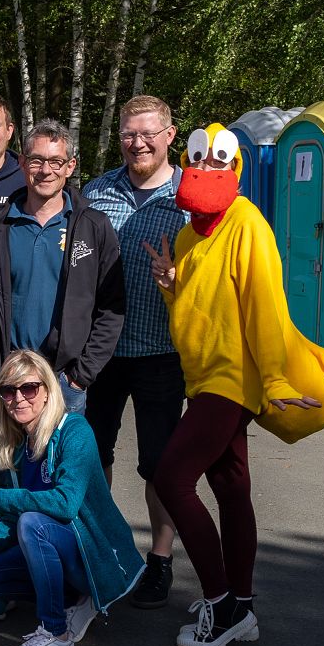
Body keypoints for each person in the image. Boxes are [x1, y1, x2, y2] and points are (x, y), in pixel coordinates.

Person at [146, 124, 324, 646]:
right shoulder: (188, 234)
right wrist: (172, 287)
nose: (209, 167)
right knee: (230, 486)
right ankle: (242, 604)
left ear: (236, 169)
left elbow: (265, 307)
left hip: (232, 379)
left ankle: (220, 605)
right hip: (202, 378)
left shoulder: (247, 223)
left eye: (220, 160)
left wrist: (273, 379)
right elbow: (196, 310)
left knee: (172, 479)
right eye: (201, 159)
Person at [0, 350, 145, 646]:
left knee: (34, 523)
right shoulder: (14, 443)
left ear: (47, 391)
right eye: (9, 390)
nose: (19, 398)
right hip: (52, 546)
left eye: (29, 388)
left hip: (93, 554)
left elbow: (65, 503)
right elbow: (9, 518)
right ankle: (73, 601)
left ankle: (56, 634)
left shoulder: (74, 430)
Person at [81, 96, 188, 609]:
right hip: (100, 352)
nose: (138, 143)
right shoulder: (96, 192)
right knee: (92, 455)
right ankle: (101, 550)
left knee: (160, 465)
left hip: (163, 351)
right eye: (129, 134)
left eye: (148, 133)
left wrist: (180, 281)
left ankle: (160, 560)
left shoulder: (190, 197)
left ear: (170, 135)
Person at [0, 118, 124, 422]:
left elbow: (111, 308)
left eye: (56, 161)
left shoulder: (92, 227)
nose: (45, 170)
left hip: (64, 382)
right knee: (3, 456)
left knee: (64, 455)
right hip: (6, 381)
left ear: (70, 166)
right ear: (23, 163)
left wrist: (79, 377)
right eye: (36, 160)